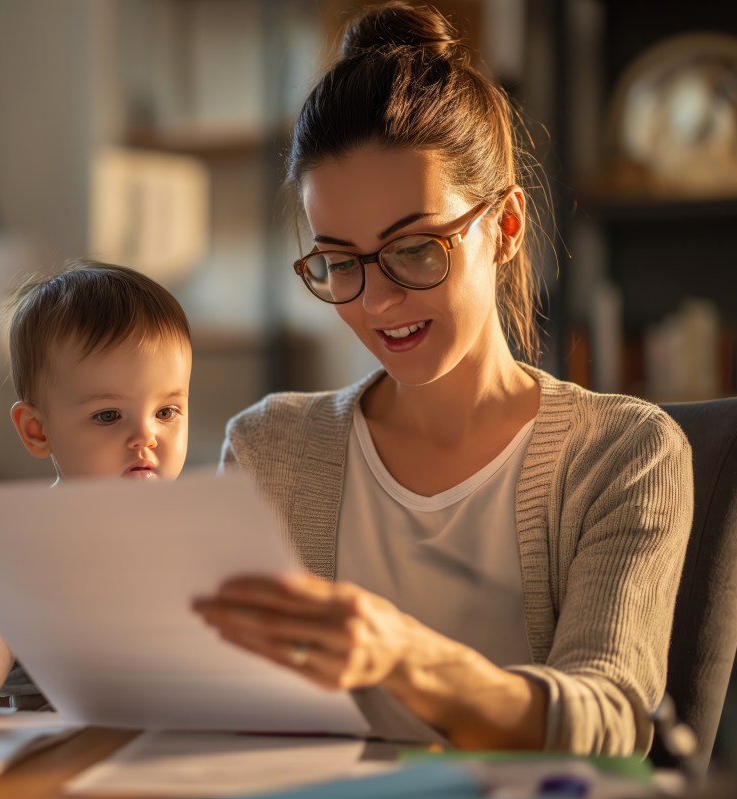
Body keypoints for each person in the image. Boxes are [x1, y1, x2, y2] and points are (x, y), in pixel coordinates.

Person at [192, 2, 692, 755]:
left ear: (506, 228)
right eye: (339, 261)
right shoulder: (269, 448)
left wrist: (406, 656)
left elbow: (608, 722)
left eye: (416, 248)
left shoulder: (626, 453)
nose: (377, 300)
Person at [0, 259, 192, 729]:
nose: (145, 436)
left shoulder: (200, 529)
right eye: (109, 416)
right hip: (62, 753)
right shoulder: (27, 540)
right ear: (37, 430)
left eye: (167, 411)